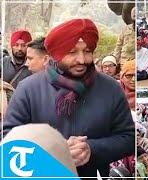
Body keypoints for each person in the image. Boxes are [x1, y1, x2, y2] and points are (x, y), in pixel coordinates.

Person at [2, 19, 135, 177]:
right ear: (56, 53)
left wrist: (91, 149)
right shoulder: (28, 89)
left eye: (87, 51)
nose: (81, 59)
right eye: (72, 52)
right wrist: (55, 152)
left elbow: (128, 138)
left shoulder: (111, 88)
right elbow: (8, 138)